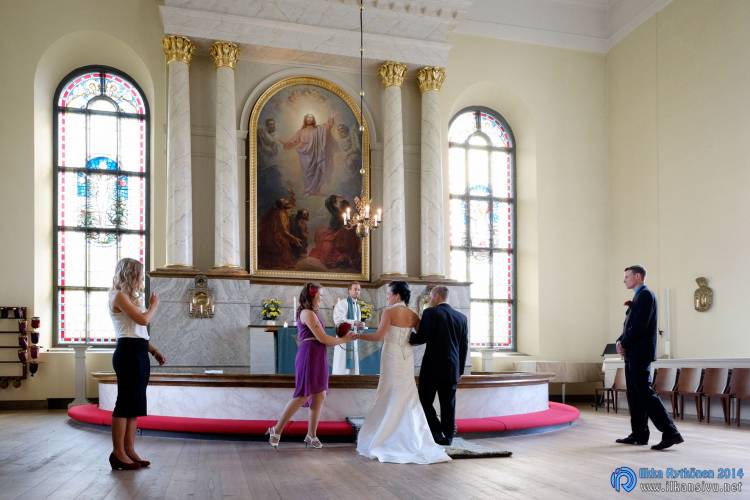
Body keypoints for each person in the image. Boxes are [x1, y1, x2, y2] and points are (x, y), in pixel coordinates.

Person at [355, 281, 451, 464]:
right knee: (406, 394)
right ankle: (412, 437)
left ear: (397, 295)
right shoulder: (413, 314)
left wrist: (358, 335)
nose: (387, 298)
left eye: (389, 294)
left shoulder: (389, 312)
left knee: (389, 391)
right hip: (406, 357)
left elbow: (378, 336)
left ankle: (387, 436)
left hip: (391, 355)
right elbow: (422, 336)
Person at [267, 283, 355, 449]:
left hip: (318, 354)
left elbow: (323, 338)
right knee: (303, 394)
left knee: (320, 394)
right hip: (309, 355)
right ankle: (276, 430)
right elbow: (323, 339)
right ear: (311, 296)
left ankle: (311, 434)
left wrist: (342, 335)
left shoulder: (313, 313)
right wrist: (345, 339)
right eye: (319, 295)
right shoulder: (307, 313)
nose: (321, 298)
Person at [616, 265, 683, 450]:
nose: (624, 280)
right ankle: (639, 434)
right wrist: (620, 340)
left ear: (638, 276)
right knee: (635, 395)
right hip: (633, 352)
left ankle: (671, 432)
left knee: (645, 393)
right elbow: (629, 325)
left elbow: (640, 326)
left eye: (627, 276)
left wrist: (624, 343)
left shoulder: (646, 295)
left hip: (640, 353)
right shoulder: (639, 296)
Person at [108, 258, 166, 471]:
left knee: (135, 405)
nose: (142, 280)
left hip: (139, 351)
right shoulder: (118, 296)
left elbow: (138, 332)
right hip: (128, 353)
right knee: (125, 404)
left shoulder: (130, 298)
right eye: (140, 276)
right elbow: (143, 321)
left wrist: (154, 351)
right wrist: (154, 306)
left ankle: (129, 450)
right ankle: (118, 453)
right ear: (130, 275)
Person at [409, 286, 468, 446]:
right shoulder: (461, 318)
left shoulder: (430, 312)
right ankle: (448, 437)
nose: (430, 299)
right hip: (452, 369)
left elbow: (422, 337)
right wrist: (460, 371)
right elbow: (464, 347)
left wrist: (406, 337)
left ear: (436, 296)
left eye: (431, 296)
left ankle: (436, 432)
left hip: (432, 368)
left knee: (424, 400)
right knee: (448, 404)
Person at [282, 113, 337, 196]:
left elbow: (327, 127)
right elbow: (294, 141)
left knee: (316, 171)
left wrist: (331, 119)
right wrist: (287, 143)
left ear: (313, 119)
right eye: (308, 118)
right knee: (306, 173)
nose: (309, 119)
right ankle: (308, 190)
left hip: (315, 153)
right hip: (304, 154)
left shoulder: (318, 129)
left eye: (311, 118)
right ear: (305, 119)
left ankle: (316, 190)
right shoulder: (301, 131)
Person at [332, 282, 366, 375]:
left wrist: (360, 325)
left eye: (359, 290)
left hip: (353, 339)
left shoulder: (357, 306)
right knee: (342, 367)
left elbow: (357, 323)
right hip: (344, 338)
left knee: (353, 369)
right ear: (349, 290)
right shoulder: (342, 303)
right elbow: (338, 320)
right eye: (355, 289)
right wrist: (354, 322)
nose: (357, 291)